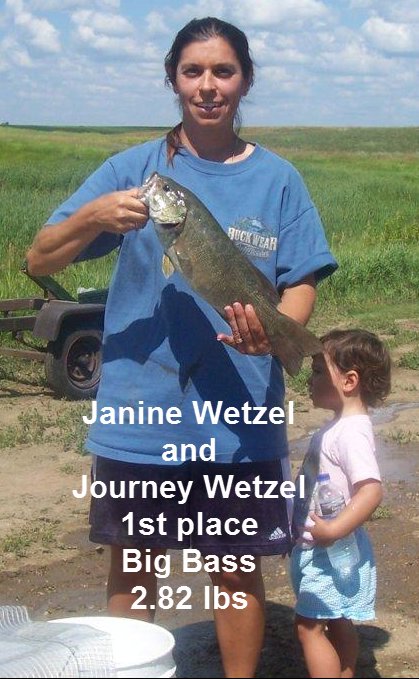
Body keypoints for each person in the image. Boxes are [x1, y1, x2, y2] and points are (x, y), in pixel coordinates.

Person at [26, 16, 337, 678]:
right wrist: (93, 216)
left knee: (235, 569)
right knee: (133, 564)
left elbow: (300, 281)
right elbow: (39, 257)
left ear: (244, 81)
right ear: (173, 79)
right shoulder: (132, 170)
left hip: (238, 420)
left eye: (223, 71)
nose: (207, 85)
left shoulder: (279, 179)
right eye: (193, 71)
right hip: (139, 416)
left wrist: (276, 329)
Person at [290, 329, 391, 679]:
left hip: (330, 550)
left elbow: (371, 491)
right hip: (325, 546)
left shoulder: (350, 433)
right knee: (336, 619)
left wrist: (333, 530)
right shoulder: (339, 427)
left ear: (349, 381)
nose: (309, 379)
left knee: (309, 628)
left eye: (318, 371)